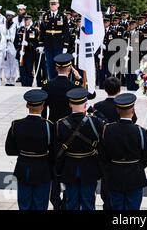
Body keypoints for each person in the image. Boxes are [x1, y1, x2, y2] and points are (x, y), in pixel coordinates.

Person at [41, 53, 95, 210]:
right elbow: (90, 94)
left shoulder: (47, 85)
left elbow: (44, 113)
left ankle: (55, 199)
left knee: (55, 167)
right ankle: (67, 198)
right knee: (69, 166)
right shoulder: (74, 87)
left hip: (54, 129)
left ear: (56, 67)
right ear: (70, 68)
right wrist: (78, 78)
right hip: (71, 130)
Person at [55, 88, 104, 210]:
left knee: (71, 202)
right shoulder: (95, 122)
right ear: (86, 105)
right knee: (88, 202)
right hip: (90, 166)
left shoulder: (60, 124)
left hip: (69, 166)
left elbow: (57, 148)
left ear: (70, 104)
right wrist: (95, 111)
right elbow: (105, 125)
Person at [100, 93, 147, 210]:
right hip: (135, 175)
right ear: (133, 110)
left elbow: (103, 155)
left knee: (116, 207)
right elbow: (146, 157)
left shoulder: (108, 129)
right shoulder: (141, 131)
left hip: (114, 175)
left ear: (117, 110)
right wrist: (136, 166)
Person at [5, 89, 54, 210]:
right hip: (43, 169)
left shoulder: (16, 124)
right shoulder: (49, 126)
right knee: (41, 204)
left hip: (23, 168)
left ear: (27, 105)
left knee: (24, 204)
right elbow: (54, 151)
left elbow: (10, 150)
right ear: (43, 106)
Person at [39, 0, 70, 80]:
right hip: (48, 44)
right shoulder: (45, 16)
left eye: (54, 4)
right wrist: (41, 44)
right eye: (51, 4)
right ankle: (51, 81)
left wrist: (65, 45)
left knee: (59, 64)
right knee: (49, 64)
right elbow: (42, 31)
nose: (53, 6)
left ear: (58, 5)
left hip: (58, 44)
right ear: (49, 5)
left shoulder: (62, 16)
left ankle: (58, 81)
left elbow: (66, 31)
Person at [14, 15, 40, 87]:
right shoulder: (19, 30)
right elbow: (15, 42)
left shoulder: (34, 31)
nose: (26, 21)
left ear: (30, 20)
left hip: (30, 54)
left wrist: (28, 44)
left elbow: (36, 43)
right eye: (25, 20)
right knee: (22, 71)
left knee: (29, 70)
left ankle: (28, 85)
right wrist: (19, 49)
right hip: (21, 54)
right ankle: (23, 85)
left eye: (27, 20)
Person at [3, 11, 19, 86]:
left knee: (13, 63)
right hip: (5, 45)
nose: (8, 17)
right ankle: (7, 79)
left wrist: (10, 38)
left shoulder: (15, 26)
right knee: (6, 63)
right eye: (7, 16)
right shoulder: (3, 25)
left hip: (12, 45)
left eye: (10, 16)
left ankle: (12, 79)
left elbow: (16, 36)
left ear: (12, 17)